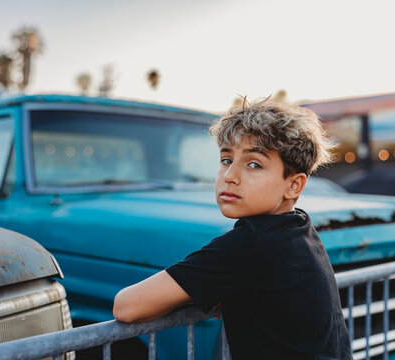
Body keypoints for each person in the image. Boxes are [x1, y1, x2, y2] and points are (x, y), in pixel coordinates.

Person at [113, 98, 352, 360]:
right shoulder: (299, 227)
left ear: (293, 185)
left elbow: (126, 306)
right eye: (226, 159)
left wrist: (193, 293)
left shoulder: (249, 244)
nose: (230, 176)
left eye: (254, 164)